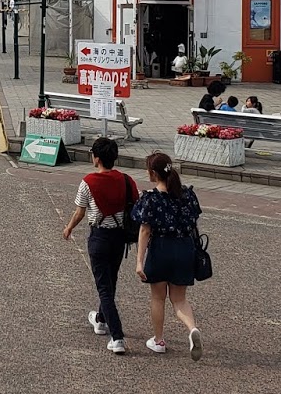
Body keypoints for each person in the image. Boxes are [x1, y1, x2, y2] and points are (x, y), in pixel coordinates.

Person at [63, 137, 139, 355]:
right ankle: (100, 319)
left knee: (104, 287)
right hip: (119, 237)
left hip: (99, 236)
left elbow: (80, 212)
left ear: (96, 158)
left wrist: (69, 228)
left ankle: (117, 336)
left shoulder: (88, 182)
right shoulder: (126, 180)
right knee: (110, 280)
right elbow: (135, 204)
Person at [131, 152, 203, 360]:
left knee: (158, 297)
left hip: (161, 248)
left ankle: (159, 340)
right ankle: (192, 328)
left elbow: (144, 231)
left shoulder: (151, 198)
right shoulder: (187, 195)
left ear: (153, 173)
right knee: (179, 300)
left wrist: (139, 261)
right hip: (185, 247)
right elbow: (194, 221)